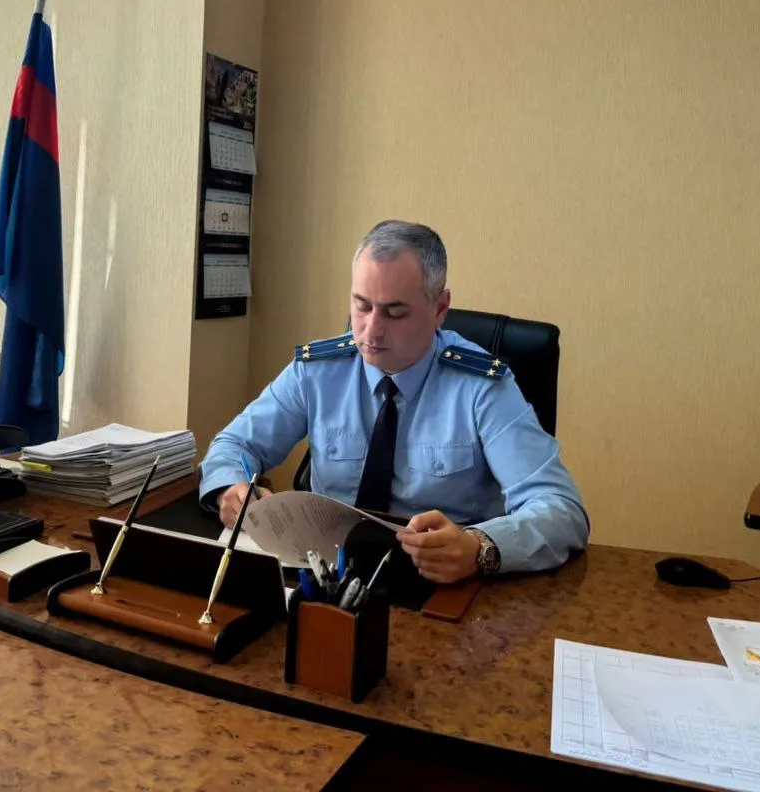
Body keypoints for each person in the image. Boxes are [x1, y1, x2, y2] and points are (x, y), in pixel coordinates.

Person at [198, 220, 589, 583]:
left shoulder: (481, 388)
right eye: (362, 305)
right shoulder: (317, 371)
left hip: (439, 587)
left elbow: (561, 509)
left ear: (440, 309)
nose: (371, 330)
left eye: (395, 312)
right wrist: (231, 489)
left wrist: (479, 547)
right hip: (329, 579)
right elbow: (234, 445)